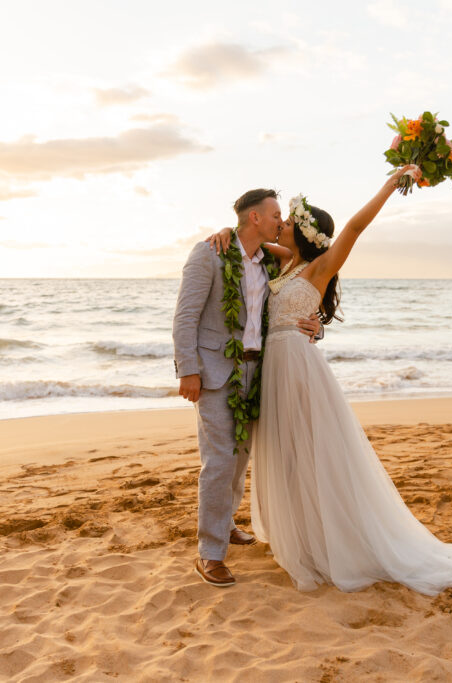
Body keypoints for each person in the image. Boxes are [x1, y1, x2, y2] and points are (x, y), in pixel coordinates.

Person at [206, 166, 452, 595]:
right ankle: (303, 531)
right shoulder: (284, 260)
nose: (284, 223)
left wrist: (391, 184)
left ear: (308, 234)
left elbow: (354, 226)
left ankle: (333, 540)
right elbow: (250, 239)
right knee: (285, 454)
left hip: (297, 369)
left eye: (291, 221)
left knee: (314, 454)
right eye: (284, 219)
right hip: (273, 368)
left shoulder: (320, 267)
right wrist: (225, 228)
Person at [172, 189, 322, 588]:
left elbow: (298, 290)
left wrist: (316, 323)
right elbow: (185, 316)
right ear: (255, 218)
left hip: (259, 373)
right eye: (275, 215)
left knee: (239, 459)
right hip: (216, 373)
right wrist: (188, 371)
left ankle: (224, 524)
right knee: (220, 461)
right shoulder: (209, 254)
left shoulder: (270, 262)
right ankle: (210, 553)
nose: (280, 221)